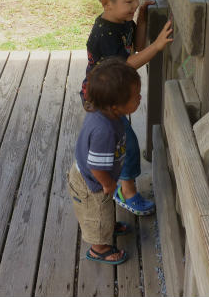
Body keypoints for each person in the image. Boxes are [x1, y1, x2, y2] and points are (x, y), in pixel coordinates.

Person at [80, 0, 173, 216]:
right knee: (126, 143)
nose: (133, 6)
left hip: (113, 94)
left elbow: (136, 48)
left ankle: (114, 178)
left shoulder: (123, 22)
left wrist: (141, 22)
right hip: (100, 98)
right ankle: (125, 190)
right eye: (129, 1)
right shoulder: (105, 33)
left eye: (136, 0)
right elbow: (129, 64)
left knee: (119, 140)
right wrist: (158, 47)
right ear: (106, 3)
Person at [68, 58, 142, 265]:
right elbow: (95, 166)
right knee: (97, 212)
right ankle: (99, 247)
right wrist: (108, 183)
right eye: (135, 97)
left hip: (97, 177)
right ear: (115, 106)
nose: (140, 98)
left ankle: (106, 227)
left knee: (104, 209)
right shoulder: (104, 130)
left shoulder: (107, 114)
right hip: (92, 182)